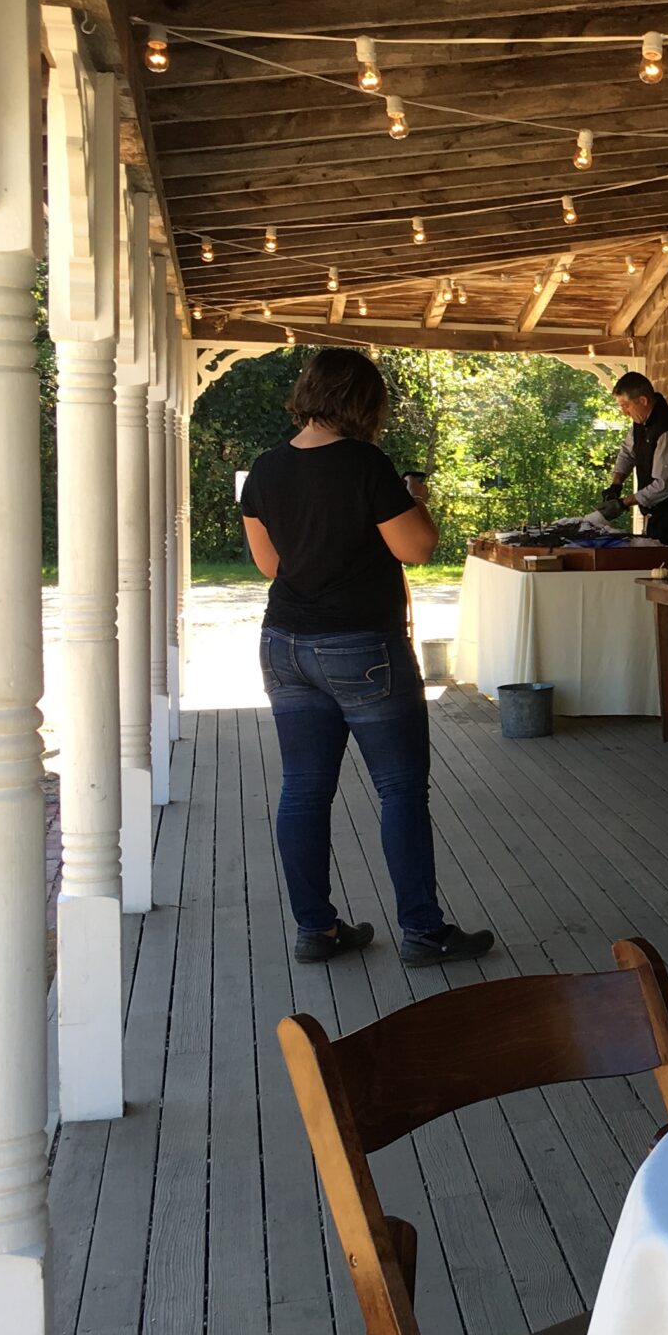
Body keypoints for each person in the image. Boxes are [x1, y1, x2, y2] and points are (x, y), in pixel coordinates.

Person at [239, 349, 495, 968]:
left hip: (285, 645)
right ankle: (423, 933)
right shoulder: (365, 464)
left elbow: (271, 566)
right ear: (363, 402)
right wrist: (415, 498)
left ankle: (317, 929)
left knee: (303, 789)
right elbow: (417, 547)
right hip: (363, 648)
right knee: (400, 790)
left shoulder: (265, 470)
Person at [599, 371, 668, 544]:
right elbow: (627, 452)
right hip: (655, 515)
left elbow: (663, 485)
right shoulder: (640, 422)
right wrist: (616, 484)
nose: (624, 413)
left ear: (643, 401)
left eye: (626, 406)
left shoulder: (667, 428)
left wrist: (623, 503)